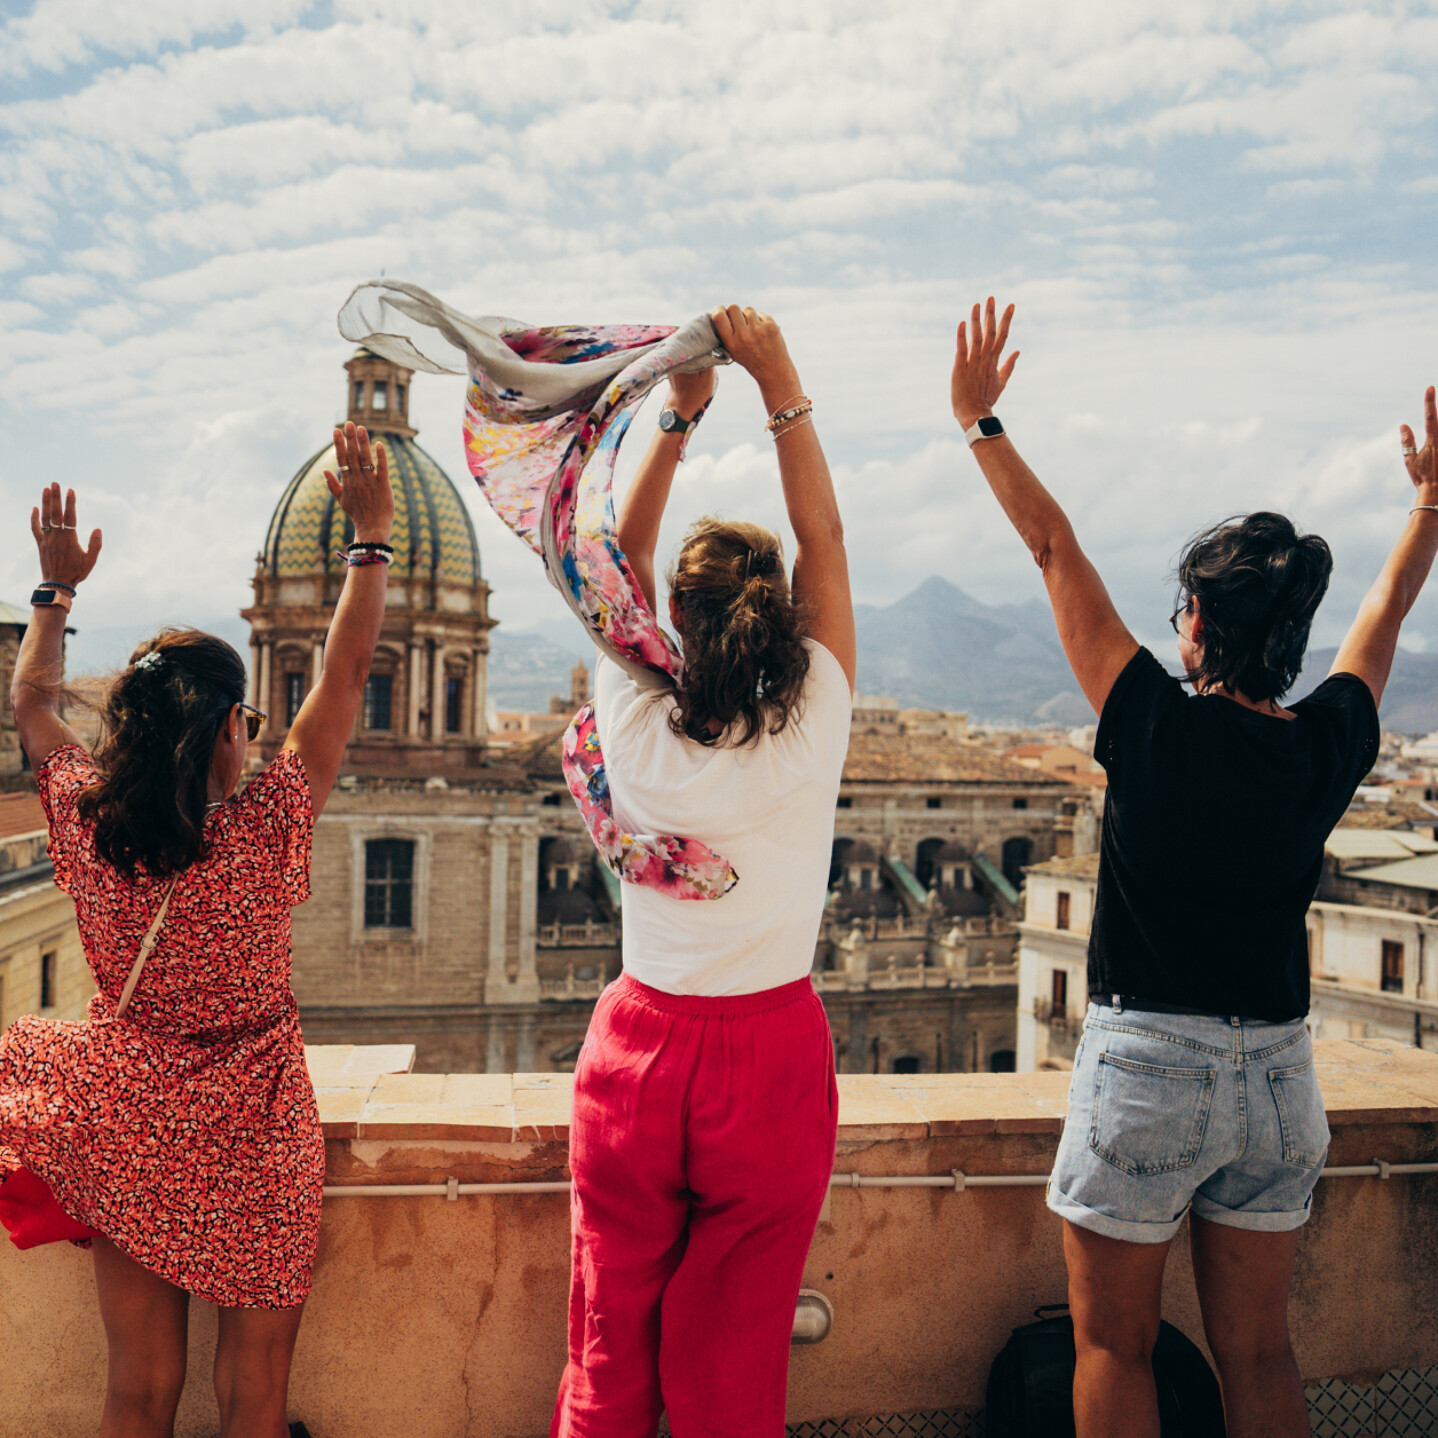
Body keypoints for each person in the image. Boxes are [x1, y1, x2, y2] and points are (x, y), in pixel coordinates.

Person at [950, 297, 1438, 1438]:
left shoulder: (1148, 724)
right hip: (1276, 1076)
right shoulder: (1324, 742)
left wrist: (981, 424)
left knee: (1112, 1345)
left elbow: (1053, 546)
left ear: (1198, 630)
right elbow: (1386, 607)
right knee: (1259, 1354)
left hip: (1145, 1066)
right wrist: (1427, 502)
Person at [0, 422, 394, 1438]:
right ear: (229, 728)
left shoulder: (88, 822)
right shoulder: (264, 829)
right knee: (253, 1392)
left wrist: (52, 593)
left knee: (138, 1387)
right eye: (249, 723)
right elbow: (346, 681)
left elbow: (33, 703)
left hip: (131, 1111)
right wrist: (371, 540)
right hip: (256, 1120)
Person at [551, 305, 856, 1438]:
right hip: (768, 1055)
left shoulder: (630, 727)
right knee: (732, 1365)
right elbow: (824, 540)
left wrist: (678, 417)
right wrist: (784, 383)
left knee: (605, 1342)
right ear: (780, 617)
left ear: (663, 623)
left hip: (635, 1051)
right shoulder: (813, 719)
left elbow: (612, 565)